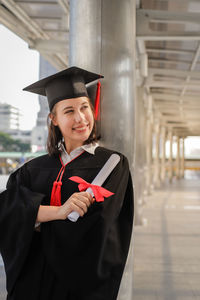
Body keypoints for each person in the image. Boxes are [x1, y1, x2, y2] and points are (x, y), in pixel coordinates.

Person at [0, 66, 134, 300]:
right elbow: (6, 211)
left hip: (78, 288)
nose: (80, 118)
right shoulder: (32, 169)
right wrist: (60, 212)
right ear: (53, 119)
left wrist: (35, 218)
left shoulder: (112, 165)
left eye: (84, 107)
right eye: (69, 111)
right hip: (31, 285)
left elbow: (98, 227)